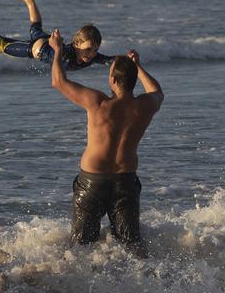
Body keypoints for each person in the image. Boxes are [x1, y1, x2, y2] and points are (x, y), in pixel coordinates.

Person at [48, 28, 163, 257]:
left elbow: (58, 82)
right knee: (132, 246)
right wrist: (138, 68)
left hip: (93, 182)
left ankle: (79, 288)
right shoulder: (146, 106)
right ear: (133, 80)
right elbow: (156, 91)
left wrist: (58, 50)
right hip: (125, 182)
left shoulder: (98, 103)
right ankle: (144, 285)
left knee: (81, 247)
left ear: (112, 80)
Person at [0, 0, 110, 71]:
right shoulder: (66, 57)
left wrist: (129, 59)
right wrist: (57, 46)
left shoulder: (91, 57)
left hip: (45, 42)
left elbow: (112, 61)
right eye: (89, 49)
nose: (92, 54)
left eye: (95, 50)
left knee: (35, 29)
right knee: (2, 46)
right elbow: (59, 67)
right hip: (38, 49)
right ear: (76, 44)